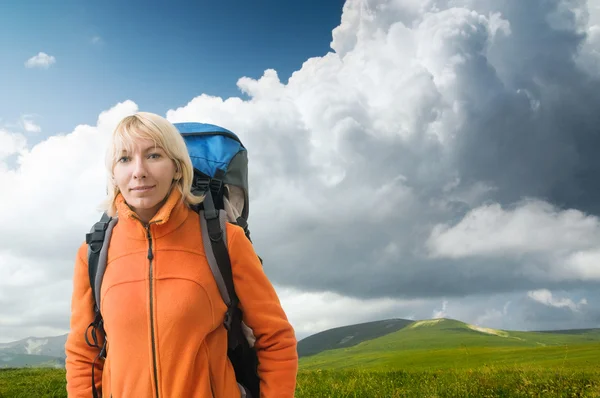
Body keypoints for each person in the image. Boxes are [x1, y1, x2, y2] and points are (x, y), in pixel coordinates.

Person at [65, 112, 298, 397]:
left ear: (177, 167)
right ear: (113, 173)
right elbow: (83, 352)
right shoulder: (94, 251)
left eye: (153, 155)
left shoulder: (225, 240)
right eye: (124, 159)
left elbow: (275, 338)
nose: (139, 171)